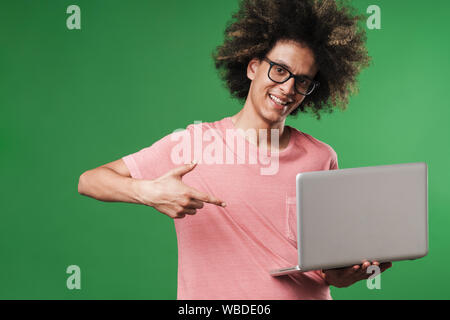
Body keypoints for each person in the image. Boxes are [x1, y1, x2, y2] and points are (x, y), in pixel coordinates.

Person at [78, 0, 391, 299]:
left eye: (302, 81)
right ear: (253, 67)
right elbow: (89, 181)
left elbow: (325, 270)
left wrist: (342, 275)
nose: (287, 88)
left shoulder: (321, 157)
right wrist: (149, 192)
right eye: (280, 70)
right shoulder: (193, 143)